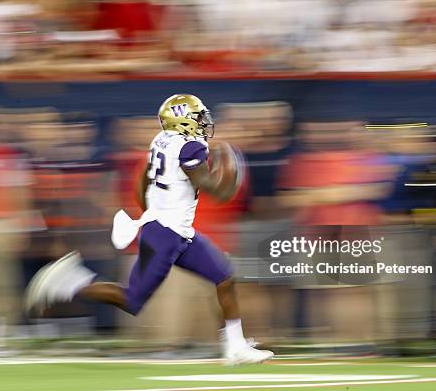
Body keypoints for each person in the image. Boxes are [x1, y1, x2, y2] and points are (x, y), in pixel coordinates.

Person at [24, 94, 273, 365]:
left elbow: (141, 180)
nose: (204, 122)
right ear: (182, 120)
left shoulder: (161, 140)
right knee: (132, 300)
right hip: (166, 234)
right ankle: (68, 282)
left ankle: (235, 346)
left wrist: (150, 211)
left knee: (224, 276)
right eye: (198, 116)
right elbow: (217, 191)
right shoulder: (190, 148)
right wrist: (233, 170)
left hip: (175, 231)